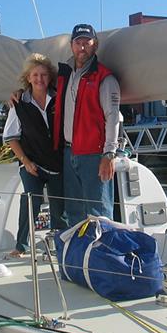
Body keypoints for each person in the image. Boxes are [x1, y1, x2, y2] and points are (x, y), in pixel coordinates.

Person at [53, 23, 121, 226]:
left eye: (86, 43)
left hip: (93, 155)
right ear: (72, 46)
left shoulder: (104, 78)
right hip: (68, 152)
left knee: (98, 213)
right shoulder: (65, 74)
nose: (82, 47)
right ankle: (79, 255)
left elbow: (113, 117)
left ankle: (103, 255)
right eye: (78, 42)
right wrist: (20, 93)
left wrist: (109, 154)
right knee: (74, 212)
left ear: (95, 45)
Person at [2, 53, 62, 257]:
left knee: (59, 204)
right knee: (31, 200)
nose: (39, 79)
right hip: (31, 162)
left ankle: (60, 245)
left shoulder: (59, 99)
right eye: (35, 75)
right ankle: (21, 246)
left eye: (44, 75)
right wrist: (25, 161)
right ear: (28, 78)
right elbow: (11, 137)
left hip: (57, 162)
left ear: (50, 77)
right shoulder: (19, 104)